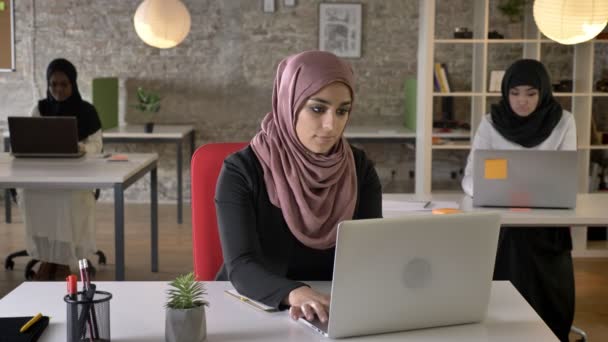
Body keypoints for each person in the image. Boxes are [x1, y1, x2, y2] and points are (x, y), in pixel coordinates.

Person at [215, 50, 382, 323]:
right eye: (317, 108)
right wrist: (295, 293)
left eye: (342, 111)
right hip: (257, 307)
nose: (331, 125)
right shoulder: (242, 170)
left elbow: (370, 253)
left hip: (332, 309)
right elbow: (241, 266)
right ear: (288, 102)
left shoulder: (359, 168)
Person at [461, 59, 576, 341]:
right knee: (509, 244)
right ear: (504, 93)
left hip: (547, 223)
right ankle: (506, 332)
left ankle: (549, 332)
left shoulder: (563, 121)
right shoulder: (491, 122)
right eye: (514, 93)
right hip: (502, 222)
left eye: (530, 93)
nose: (522, 101)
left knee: (527, 249)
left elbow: (565, 175)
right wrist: (490, 193)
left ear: (544, 92)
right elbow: (470, 177)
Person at [19, 58, 103, 280]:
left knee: (66, 200)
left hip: (75, 176)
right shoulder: (40, 108)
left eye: (63, 84)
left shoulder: (87, 111)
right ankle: (48, 257)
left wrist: (80, 147)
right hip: (43, 175)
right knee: (33, 195)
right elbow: (29, 138)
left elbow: (97, 146)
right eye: (53, 84)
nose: (58, 89)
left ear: (73, 84)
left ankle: (64, 260)